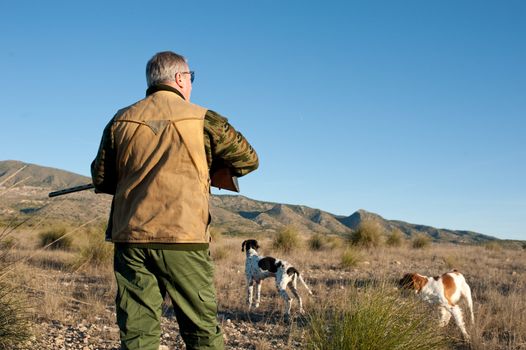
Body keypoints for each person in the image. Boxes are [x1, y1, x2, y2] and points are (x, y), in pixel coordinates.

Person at [91, 51, 259, 350]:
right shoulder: (205, 119)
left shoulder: (120, 120)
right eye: (191, 78)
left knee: (138, 334)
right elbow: (248, 160)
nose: (191, 84)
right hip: (184, 238)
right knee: (201, 333)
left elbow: (101, 179)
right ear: (180, 78)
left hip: (131, 239)